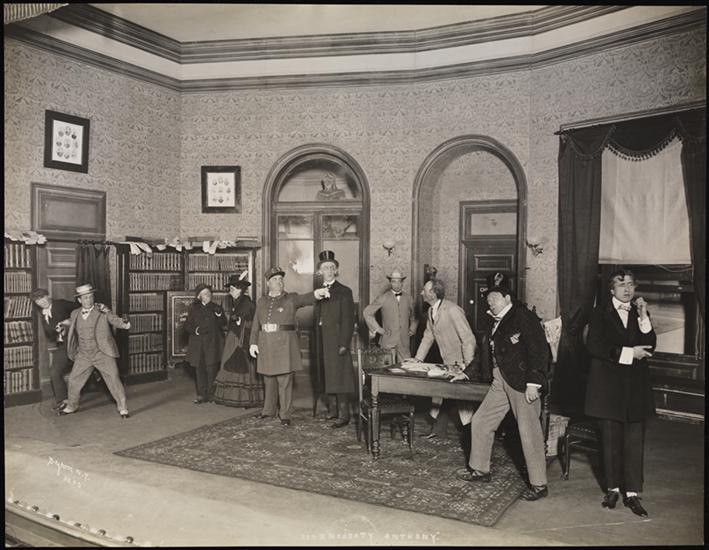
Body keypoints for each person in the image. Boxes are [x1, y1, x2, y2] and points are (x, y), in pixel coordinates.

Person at [452, 274, 550, 501]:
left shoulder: (523, 316)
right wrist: (466, 373)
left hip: (522, 383)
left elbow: (539, 351)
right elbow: (484, 353)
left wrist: (534, 383)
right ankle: (480, 470)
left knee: (529, 431)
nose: (490, 302)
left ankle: (539, 484)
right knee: (481, 421)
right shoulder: (493, 321)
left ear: (507, 298)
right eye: (488, 299)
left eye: (494, 298)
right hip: (499, 381)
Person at [584, 268, 656, 517]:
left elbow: (651, 344)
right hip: (607, 387)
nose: (627, 289)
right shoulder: (599, 313)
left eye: (631, 284)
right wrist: (629, 353)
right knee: (610, 440)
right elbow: (594, 346)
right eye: (621, 284)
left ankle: (633, 493)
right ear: (611, 289)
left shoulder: (639, 312)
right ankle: (612, 489)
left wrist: (644, 315)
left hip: (635, 387)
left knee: (634, 442)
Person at [249, 267, 328, 426]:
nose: (279, 282)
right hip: (265, 344)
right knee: (268, 380)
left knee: (284, 381)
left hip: (284, 346)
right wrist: (253, 343)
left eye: (281, 279)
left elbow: (304, 299)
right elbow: (256, 323)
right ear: (268, 283)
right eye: (275, 279)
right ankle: (268, 410)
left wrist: (316, 294)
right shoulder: (262, 301)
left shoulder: (290, 298)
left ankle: (285, 414)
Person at [406, 278, 476, 438]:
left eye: (424, 290)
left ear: (433, 293)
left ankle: (471, 436)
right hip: (447, 362)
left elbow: (468, 339)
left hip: (461, 363)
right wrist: (417, 359)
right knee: (440, 393)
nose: (421, 293)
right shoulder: (431, 311)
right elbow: (428, 337)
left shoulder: (453, 310)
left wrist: (468, 366)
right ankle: (437, 430)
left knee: (464, 402)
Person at [59, 284, 131, 418]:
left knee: (113, 378)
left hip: (102, 352)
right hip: (84, 354)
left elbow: (113, 319)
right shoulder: (75, 313)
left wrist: (124, 323)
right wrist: (63, 324)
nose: (89, 300)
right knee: (74, 379)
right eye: (85, 298)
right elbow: (72, 322)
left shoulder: (102, 311)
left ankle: (123, 408)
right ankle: (72, 406)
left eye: (91, 297)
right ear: (79, 300)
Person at [313, 250, 356, 429]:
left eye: (332, 267)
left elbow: (348, 319)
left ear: (336, 270)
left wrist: (344, 343)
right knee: (327, 375)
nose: (329, 271)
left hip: (337, 341)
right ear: (320, 271)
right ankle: (332, 410)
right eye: (325, 268)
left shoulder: (345, 291)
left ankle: (344, 415)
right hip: (322, 341)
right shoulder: (317, 292)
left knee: (340, 377)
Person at [212, 272, 263, 408]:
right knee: (231, 361)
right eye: (230, 289)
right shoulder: (238, 301)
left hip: (241, 338)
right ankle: (234, 396)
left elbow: (252, 321)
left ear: (240, 290)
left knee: (241, 363)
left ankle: (244, 398)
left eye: (232, 289)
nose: (230, 292)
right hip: (234, 336)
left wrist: (240, 320)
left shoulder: (246, 302)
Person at [30, 288, 79, 410]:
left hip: (79, 343)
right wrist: (57, 331)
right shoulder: (43, 314)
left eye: (42, 297)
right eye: (37, 301)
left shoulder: (61, 304)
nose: (41, 302)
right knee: (54, 372)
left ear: (48, 296)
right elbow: (50, 335)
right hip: (63, 346)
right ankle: (63, 401)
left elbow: (82, 309)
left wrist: (69, 321)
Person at [184, 284, 226, 404]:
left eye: (209, 293)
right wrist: (196, 330)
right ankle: (201, 394)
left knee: (211, 369)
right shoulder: (194, 308)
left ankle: (212, 395)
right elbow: (187, 325)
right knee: (199, 369)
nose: (208, 295)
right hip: (198, 344)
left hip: (212, 343)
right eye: (205, 293)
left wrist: (220, 315)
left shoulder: (216, 307)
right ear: (199, 296)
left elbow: (224, 323)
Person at [363, 267, 417, 359]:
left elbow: (415, 314)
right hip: (388, 341)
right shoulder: (383, 297)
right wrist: (377, 329)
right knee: (386, 366)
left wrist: (413, 327)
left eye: (399, 281)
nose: (396, 284)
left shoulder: (408, 298)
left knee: (406, 365)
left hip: (404, 341)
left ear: (402, 282)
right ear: (390, 282)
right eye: (394, 281)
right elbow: (367, 312)